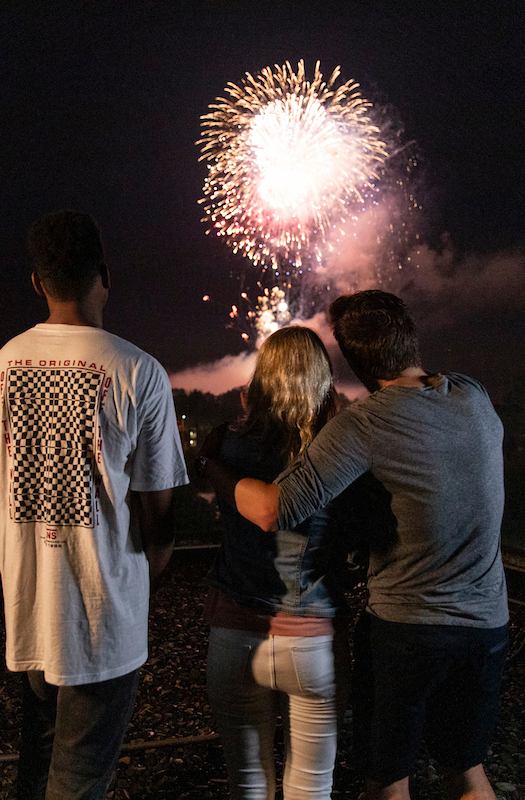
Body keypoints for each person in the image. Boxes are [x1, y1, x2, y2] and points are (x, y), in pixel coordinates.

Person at [206, 290, 509, 800]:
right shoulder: (474, 395)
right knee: (467, 773)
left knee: (382, 780)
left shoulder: (364, 426)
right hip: (485, 625)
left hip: (404, 629)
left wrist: (214, 465)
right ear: (410, 336)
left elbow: (274, 508)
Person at [0, 210, 189, 800]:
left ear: (36, 283)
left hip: (29, 604)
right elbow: (159, 508)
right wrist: (149, 567)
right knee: (80, 779)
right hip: (103, 616)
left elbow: (0, 471)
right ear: (105, 274)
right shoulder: (139, 370)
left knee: (37, 762)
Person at [202, 325, 355, 800]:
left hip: (235, 635)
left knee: (247, 786)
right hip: (313, 639)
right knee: (312, 790)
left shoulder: (224, 442)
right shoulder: (337, 449)